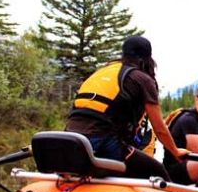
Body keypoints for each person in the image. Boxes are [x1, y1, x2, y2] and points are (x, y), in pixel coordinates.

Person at [66, 35, 187, 180]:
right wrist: (175, 151)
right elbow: (160, 128)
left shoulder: (102, 72)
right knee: (157, 171)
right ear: (147, 59)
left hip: (71, 141)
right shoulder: (142, 79)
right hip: (102, 143)